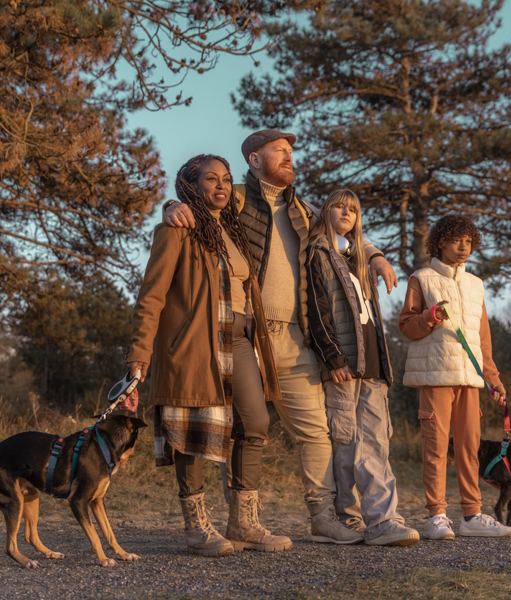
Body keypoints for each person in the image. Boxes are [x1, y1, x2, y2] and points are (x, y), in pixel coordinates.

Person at [164, 130, 398, 544]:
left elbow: (344, 232)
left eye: (291, 152)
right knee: (239, 425)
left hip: (295, 337)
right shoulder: (233, 197)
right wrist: (171, 206)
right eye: (281, 152)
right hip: (244, 333)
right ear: (255, 159)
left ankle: (323, 517)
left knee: (315, 432)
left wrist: (375, 255)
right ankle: (238, 522)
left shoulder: (303, 210)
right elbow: (196, 204)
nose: (290, 157)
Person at [126, 154, 292, 556]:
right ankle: (197, 528)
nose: (221, 186)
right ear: (191, 185)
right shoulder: (176, 230)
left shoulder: (233, 230)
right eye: (210, 179)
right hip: (195, 343)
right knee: (195, 432)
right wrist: (139, 352)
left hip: (240, 339)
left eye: (226, 179)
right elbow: (151, 296)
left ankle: (244, 523)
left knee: (254, 423)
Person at [305, 189, 420, 547]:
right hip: (343, 366)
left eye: (353, 210)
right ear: (325, 212)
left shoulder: (359, 259)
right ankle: (349, 519)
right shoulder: (317, 254)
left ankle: (384, 520)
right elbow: (316, 309)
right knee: (345, 445)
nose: (346, 212)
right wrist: (333, 358)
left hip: (372, 367)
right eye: (339, 206)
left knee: (374, 442)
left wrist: (376, 256)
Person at [398, 214, 511, 540]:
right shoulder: (421, 278)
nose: (463, 246)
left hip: (470, 381)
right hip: (436, 377)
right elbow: (406, 325)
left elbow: (483, 339)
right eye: (456, 240)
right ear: (440, 242)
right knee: (436, 449)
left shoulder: (475, 284)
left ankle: (471, 515)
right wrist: (430, 317)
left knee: (469, 449)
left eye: (468, 241)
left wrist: (494, 379)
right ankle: (436, 516)